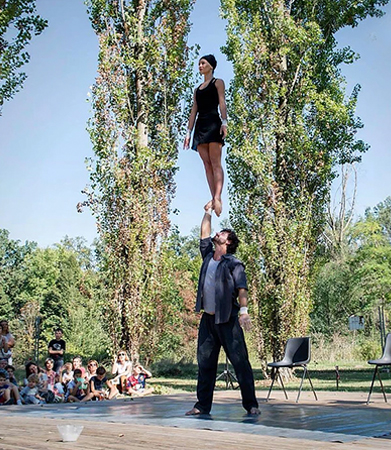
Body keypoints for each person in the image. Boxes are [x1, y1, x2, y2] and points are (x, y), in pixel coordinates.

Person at [186, 203, 260, 416]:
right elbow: (204, 233)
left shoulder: (234, 263)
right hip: (208, 321)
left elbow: (242, 289)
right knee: (205, 363)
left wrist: (244, 311)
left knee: (240, 362)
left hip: (227, 320)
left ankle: (251, 404)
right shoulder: (208, 255)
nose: (218, 233)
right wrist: (207, 211)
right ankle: (202, 406)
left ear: (227, 242)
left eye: (223, 233)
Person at [183, 54, 227, 217]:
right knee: (206, 165)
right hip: (200, 128)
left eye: (203, 63)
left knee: (216, 163)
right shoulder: (197, 90)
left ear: (211, 66)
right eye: (199, 63)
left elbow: (222, 102)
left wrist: (224, 122)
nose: (200, 66)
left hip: (213, 123)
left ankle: (217, 197)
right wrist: (188, 133)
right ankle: (213, 196)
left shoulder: (218, 83)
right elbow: (193, 111)